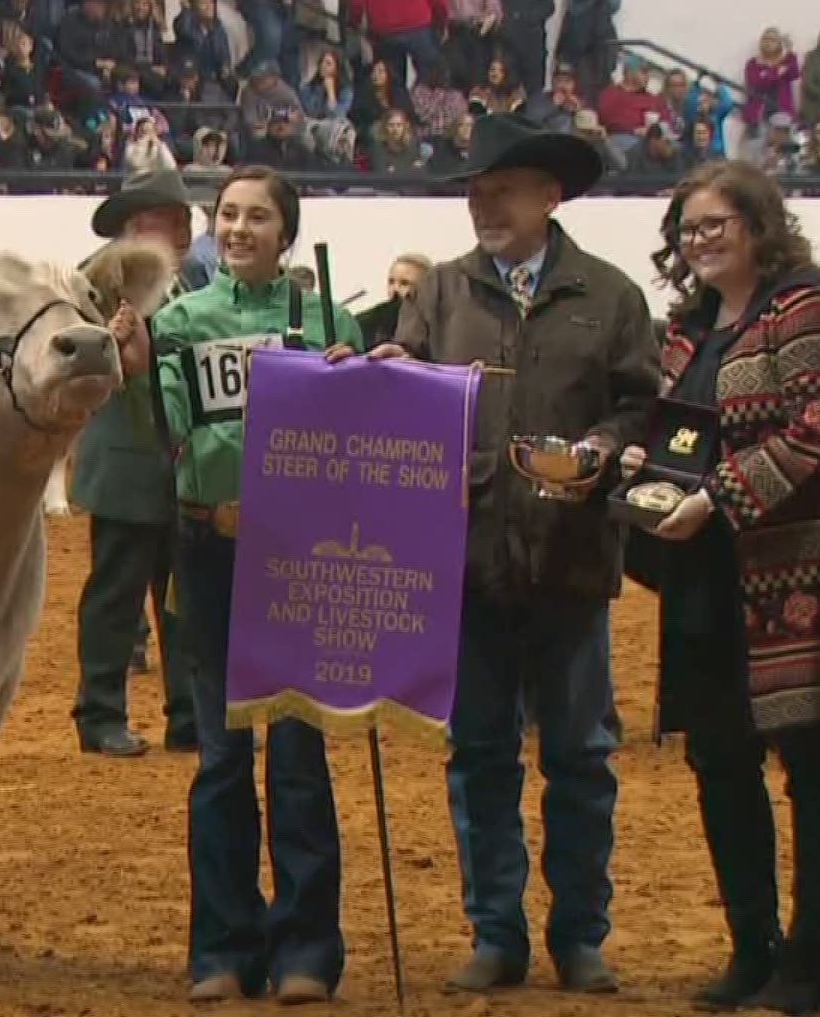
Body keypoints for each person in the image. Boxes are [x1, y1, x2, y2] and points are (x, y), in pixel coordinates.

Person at [332, 112, 660, 995]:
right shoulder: (440, 293)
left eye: (501, 191)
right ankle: (496, 931)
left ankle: (579, 934)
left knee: (580, 758)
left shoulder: (612, 296)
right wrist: (380, 368)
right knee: (479, 753)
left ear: (549, 197)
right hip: (467, 563)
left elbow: (641, 407)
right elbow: (409, 388)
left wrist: (598, 447)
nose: (483, 205)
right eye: (476, 193)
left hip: (574, 559)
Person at [631, 159, 820, 1014]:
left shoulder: (810, 309)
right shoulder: (689, 326)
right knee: (720, 762)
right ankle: (752, 946)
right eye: (688, 230)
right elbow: (683, 435)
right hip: (704, 580)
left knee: (813, 763)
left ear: (758, 224)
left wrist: (711, 497)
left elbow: (815, 435)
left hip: (793, 578)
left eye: (714, 225)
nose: (699, 241)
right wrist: (648, 471)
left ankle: (811, 958)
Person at [116, 164, 363, 1004]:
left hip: (301, 552)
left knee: (296, 755)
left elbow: (368, 434)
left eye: (258, 216)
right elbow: (162, 428)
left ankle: (306, 952)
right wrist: (138, 360)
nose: (239, 228)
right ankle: (220, 947)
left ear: (286, 232)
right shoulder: (178, 321)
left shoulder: (333, 321)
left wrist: (354, 376)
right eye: (227, 214)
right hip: (209, 547)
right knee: (221, 760)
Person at [70, 166, 209, 758]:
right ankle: (99, 712)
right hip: (128, 457)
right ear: (135, 225)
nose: (182, 228)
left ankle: (187, 713)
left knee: (180, 597)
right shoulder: (98, 280)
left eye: (183, 219)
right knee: (116, 594)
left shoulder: (198, 277)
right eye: (167, 218)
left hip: (180, 461)